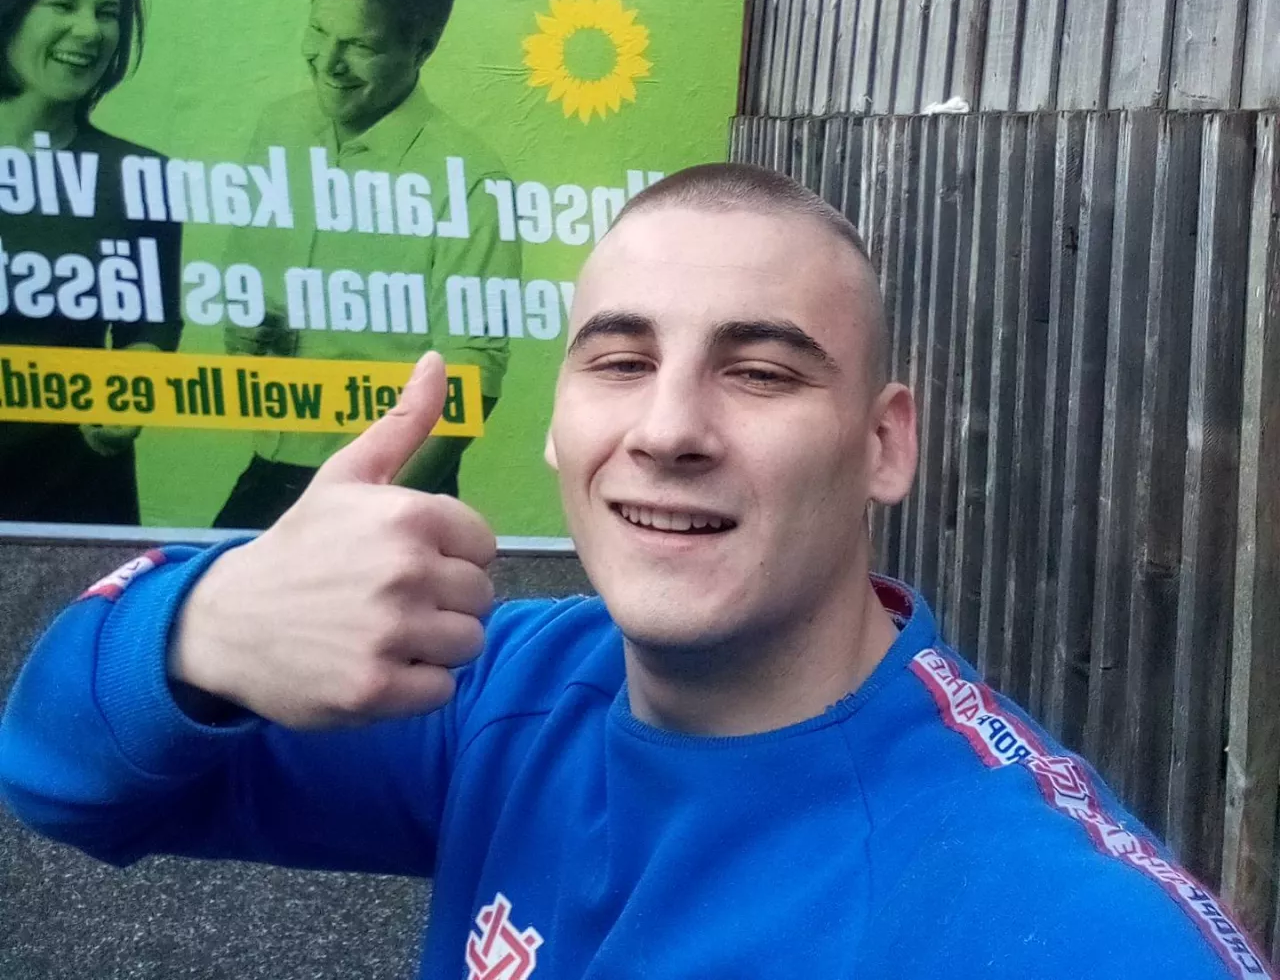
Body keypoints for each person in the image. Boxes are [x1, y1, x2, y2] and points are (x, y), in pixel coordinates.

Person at [0, 164, 1267, 978]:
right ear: (555, 425)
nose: (666, 430)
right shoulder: (502, 692)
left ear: (884, 446)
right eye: (618, 362)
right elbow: (60, 779)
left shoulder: (1061, 926)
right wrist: (208, 625)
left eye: (758, 372)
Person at [212, 0, 519, 530]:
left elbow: (472, 383)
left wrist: (368, 514)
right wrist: (246, 332)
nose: (329, 62)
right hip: (271, 468)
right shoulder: (277, 129)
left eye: (360, 45)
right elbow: (247, 296)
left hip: (394, 490)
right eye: (319, 31)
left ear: (422, 47)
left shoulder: (474, 180)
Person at [0, 0, 182, 526]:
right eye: (63, 4)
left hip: (74, 497)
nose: (89, 31)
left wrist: (131, 390)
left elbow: (151, 326)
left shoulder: (139, 174)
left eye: (107, 13)